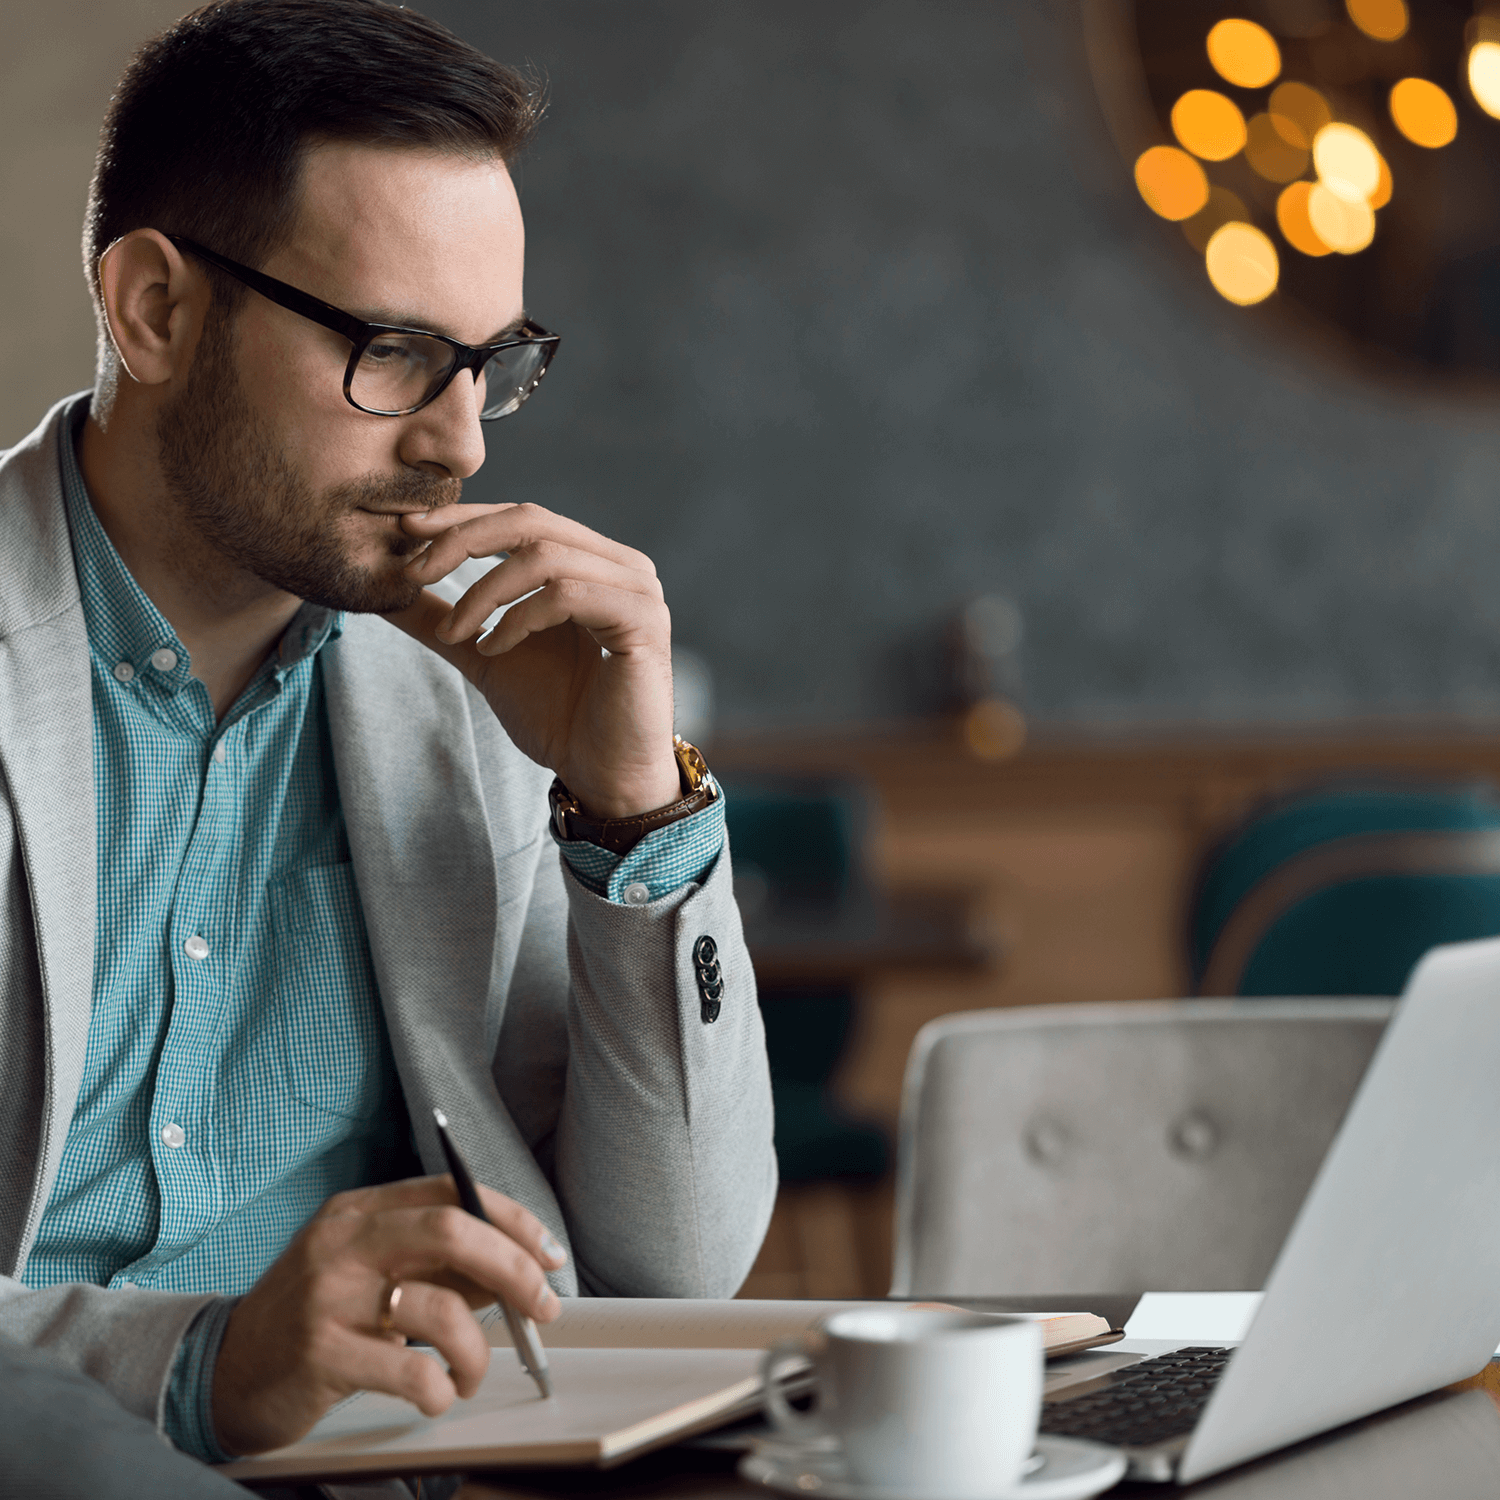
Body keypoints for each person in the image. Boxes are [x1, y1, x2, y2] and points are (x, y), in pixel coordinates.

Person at [0, 0, 775, 1480]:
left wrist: (630, 807)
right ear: (154, 310)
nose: (461, 443)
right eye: (398, 351)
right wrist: (205, 1368)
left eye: (490, 362)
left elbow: (679, 1261)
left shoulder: (473, 688)